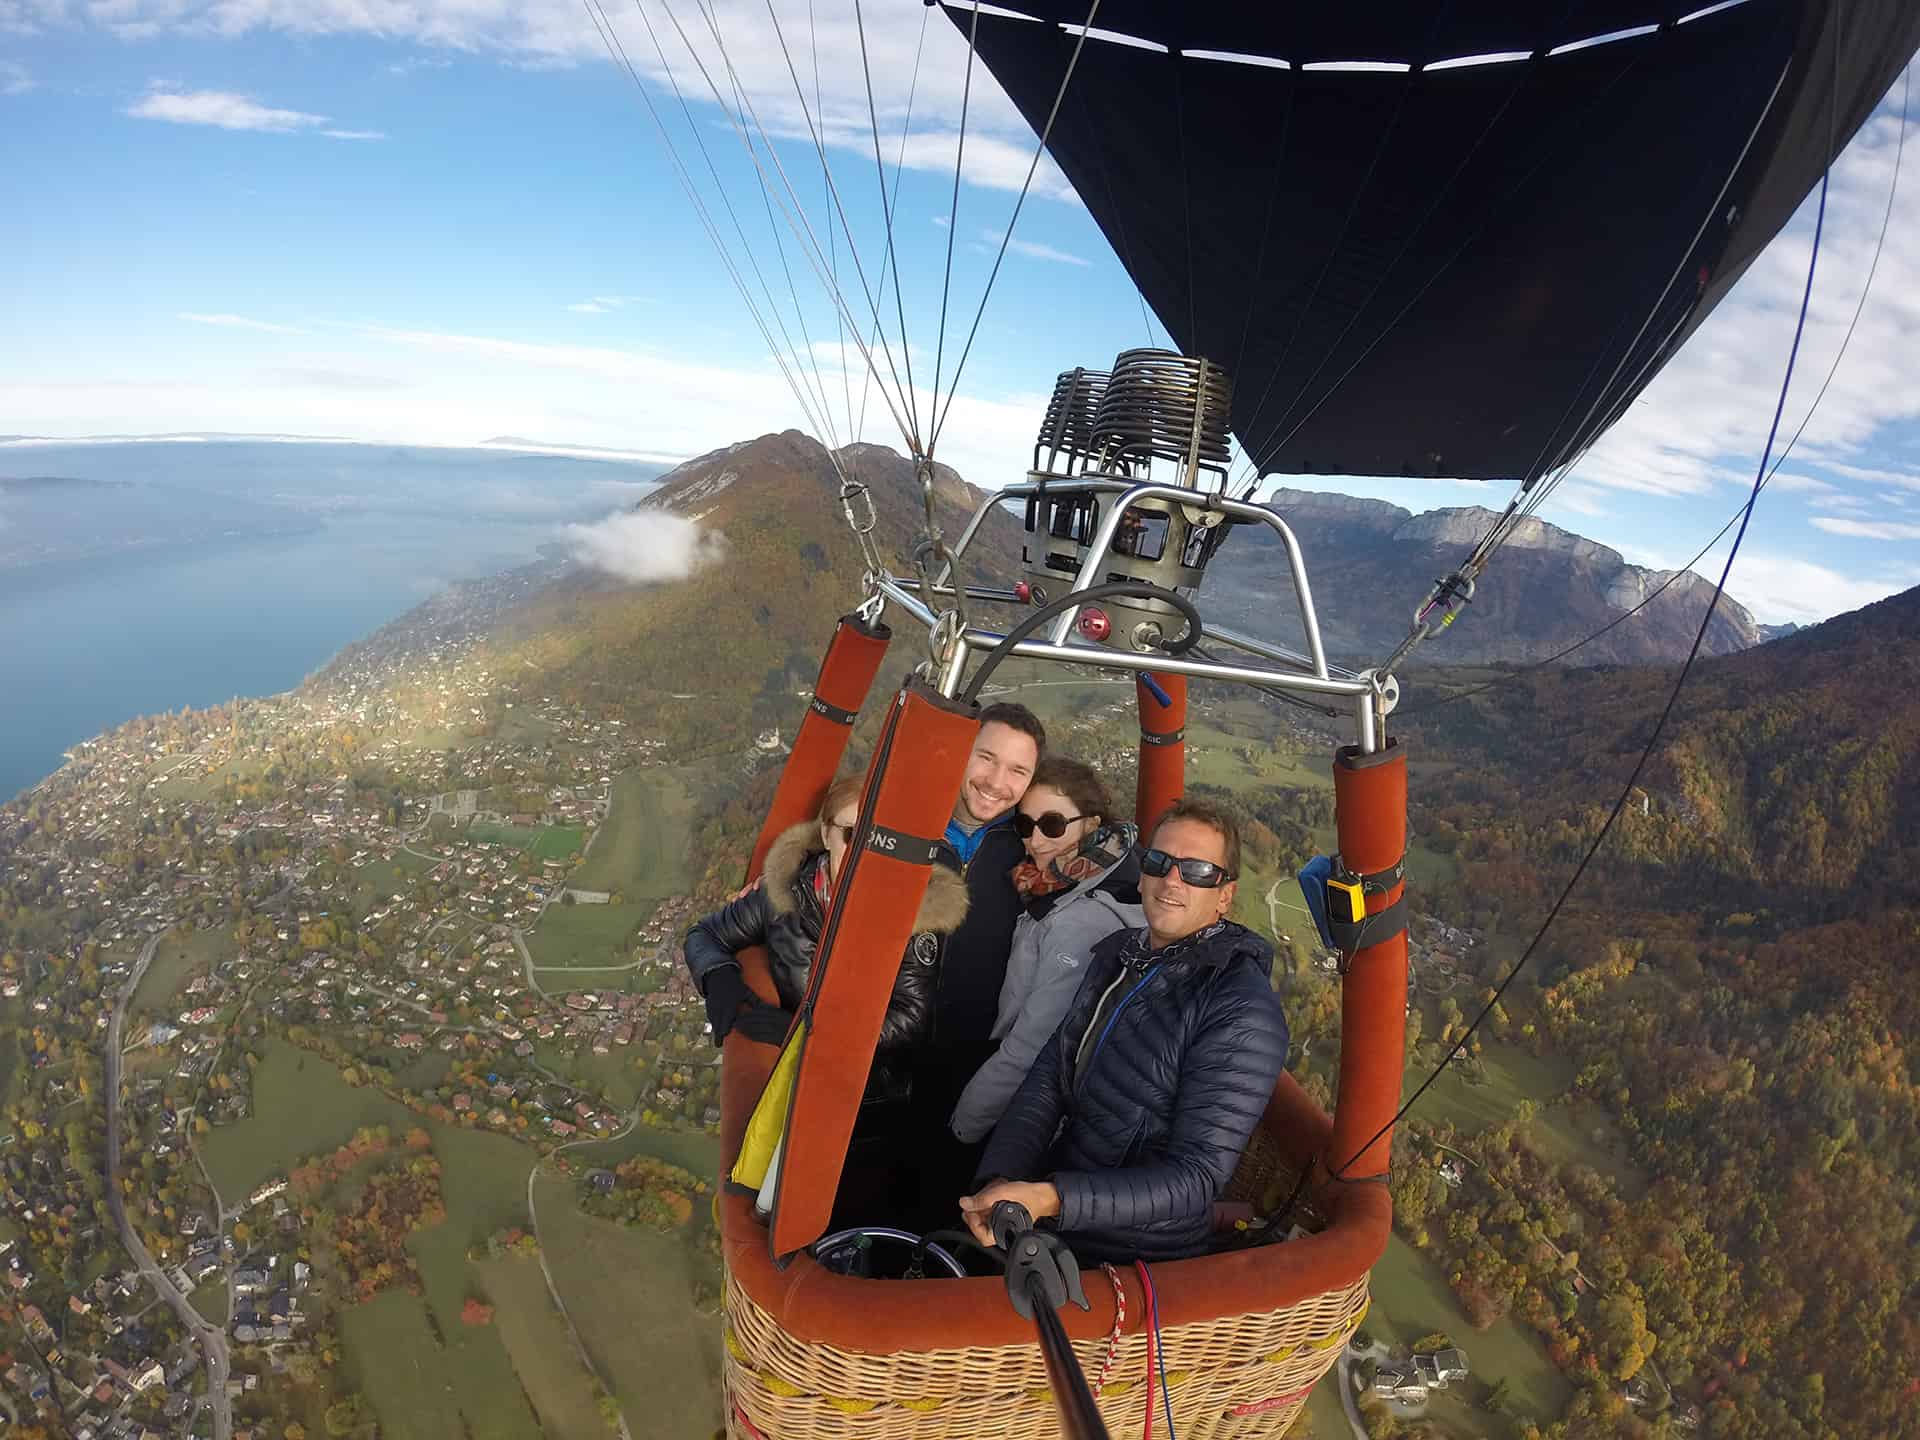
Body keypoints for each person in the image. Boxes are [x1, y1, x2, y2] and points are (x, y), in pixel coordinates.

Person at [958, 798, 1288, 1264]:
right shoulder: (1119, 956)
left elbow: (1195, 1178)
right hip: (1056, 1221)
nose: (1172, 880)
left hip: (1133, 1257)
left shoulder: (1240, 1007)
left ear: (1225, 894)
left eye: (1196, 870)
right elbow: (1051, 1076)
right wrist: (1000, 1176)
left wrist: (1052, 1198)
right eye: (1159, 861)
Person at [683, 774, 968, 1104]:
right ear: (825, 834)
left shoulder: (914, 915)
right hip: (799, 1090)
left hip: (874, 1100)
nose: (863, 854)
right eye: (852, 835)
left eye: (877, 841)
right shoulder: (783, 896)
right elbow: (705, 934)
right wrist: (718, 976)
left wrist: (803, 1033)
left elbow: (909, 1019)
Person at [948, 755, 1142, 1145]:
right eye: (1024, 824)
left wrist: (961, 1128)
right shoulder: (1060, 885)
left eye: (1052, 825)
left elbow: (1028, 1050)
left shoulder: (1082, 920)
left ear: (1091, 824)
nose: (1034, 841)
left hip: (1032, 1108)